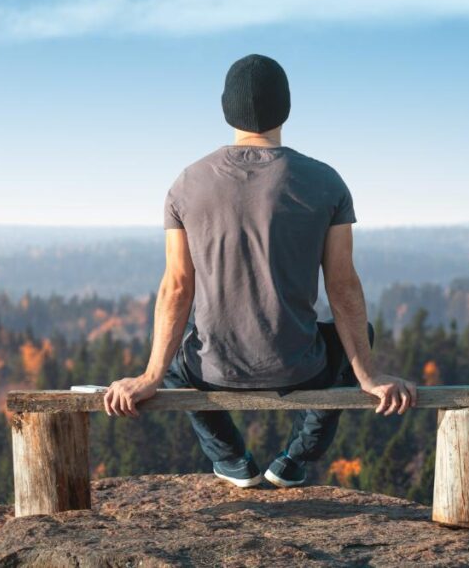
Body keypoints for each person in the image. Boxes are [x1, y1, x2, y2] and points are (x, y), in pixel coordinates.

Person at [104, 54, 417, 488]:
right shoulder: (325, 182)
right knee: (357, 336)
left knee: (175, 360)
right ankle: (295, 459)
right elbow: (343, 286)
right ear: (286, 106)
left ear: (225, 107)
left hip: (212, 369)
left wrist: (150, 375)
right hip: (299, 367)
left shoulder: (186, 183)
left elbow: (177, 287)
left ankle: (232, 458)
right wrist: (367, 375)